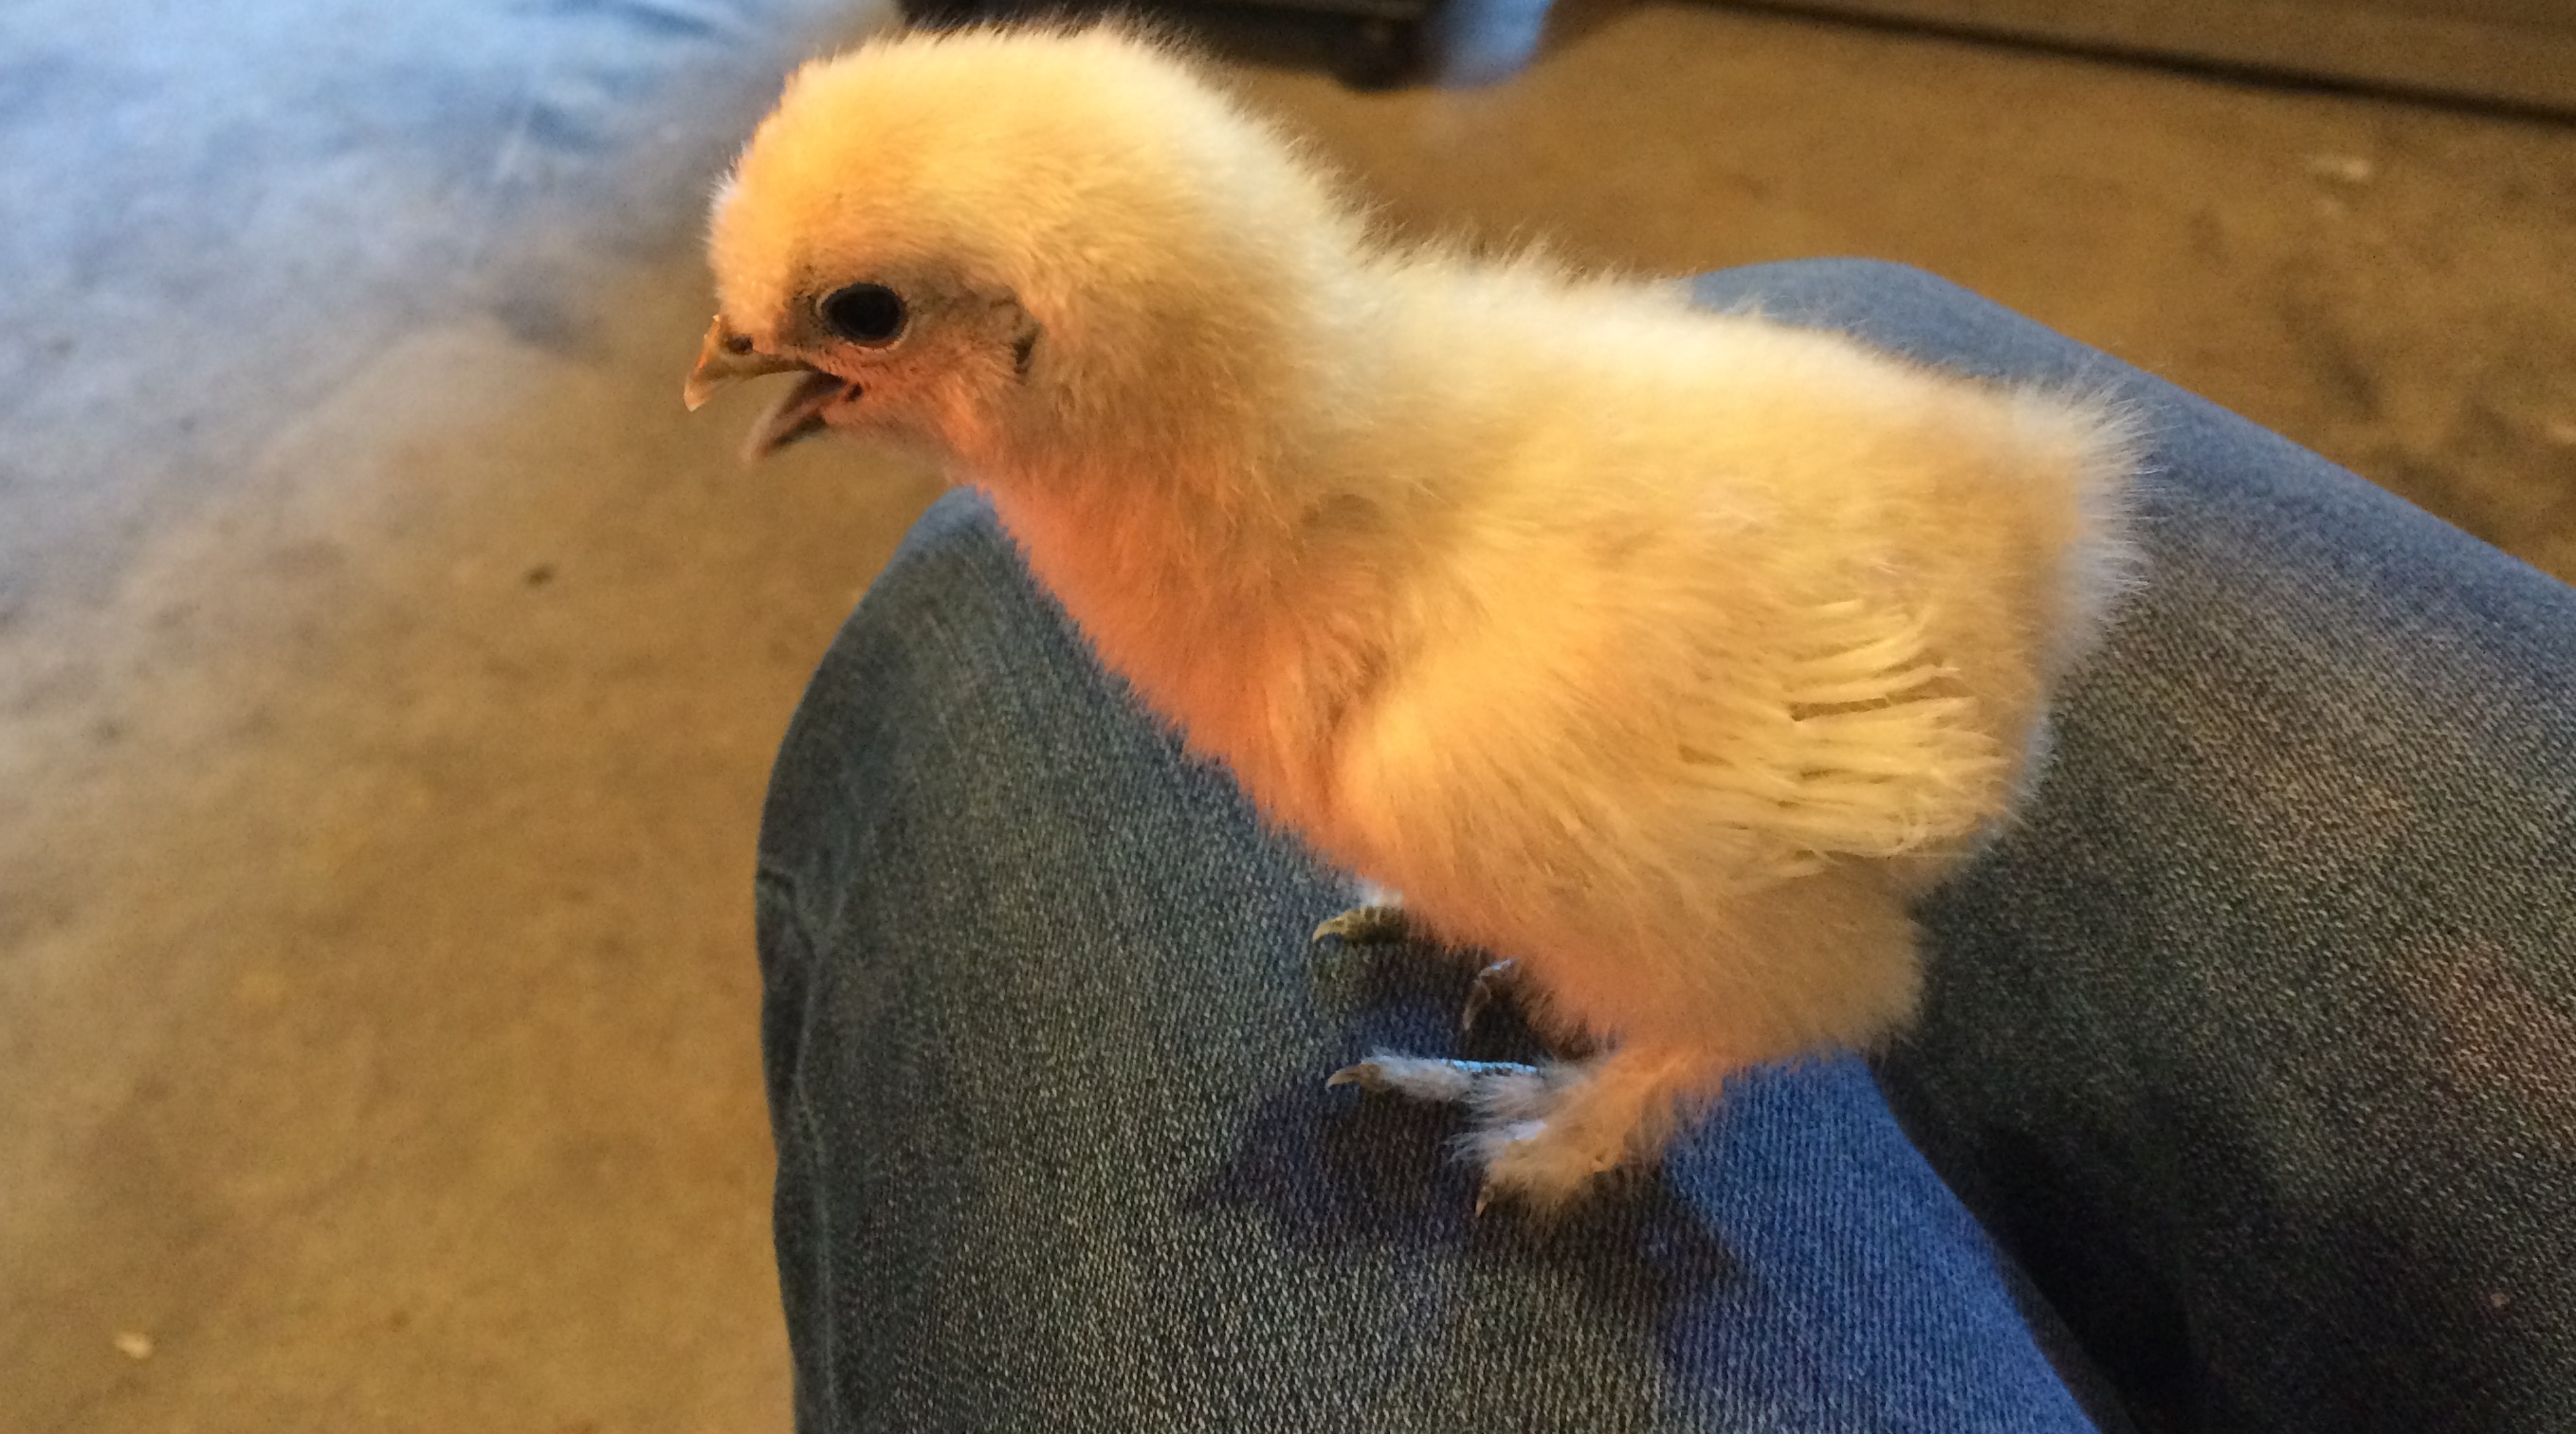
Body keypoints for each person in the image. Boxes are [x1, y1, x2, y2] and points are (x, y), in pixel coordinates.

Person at [751, 261, 2576, 1432]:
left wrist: (1609, 1081)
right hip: (1775, 533)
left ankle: (1618, 1100)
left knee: (1451, 780)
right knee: (1842, 303)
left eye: (852, 313)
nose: (751, 355)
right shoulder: (1359, 420)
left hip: (1839, 683)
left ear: (1037, 331)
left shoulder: (1460, 722)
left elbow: (1893, 844)